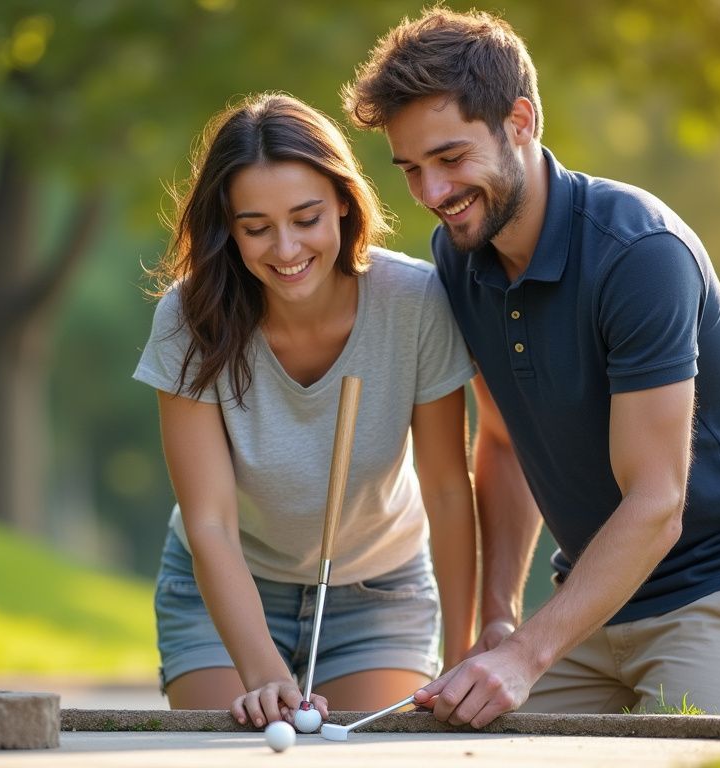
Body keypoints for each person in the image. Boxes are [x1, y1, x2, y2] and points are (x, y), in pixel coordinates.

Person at [342, 8, 720, 723]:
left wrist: (529, 655)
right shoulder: (461, 254)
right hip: (591, 603)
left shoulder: (639, 255)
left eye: (450, 158)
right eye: (411, 170)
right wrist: (499, 623)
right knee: (450, 740)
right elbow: (499, 438)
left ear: (522, 120)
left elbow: (656, 502)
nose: (432, 195)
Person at [133, 92, 478, 729]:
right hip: (225, 586)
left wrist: (462, 653)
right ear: (227, 230)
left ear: (345, 203)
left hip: (379, 592)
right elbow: (208, 522)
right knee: (234, 752)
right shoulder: (189, 319)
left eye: (307, 217)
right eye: (256, 228)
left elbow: (448, 491)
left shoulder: (415, 302)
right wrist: (262, 672)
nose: (286, 248)